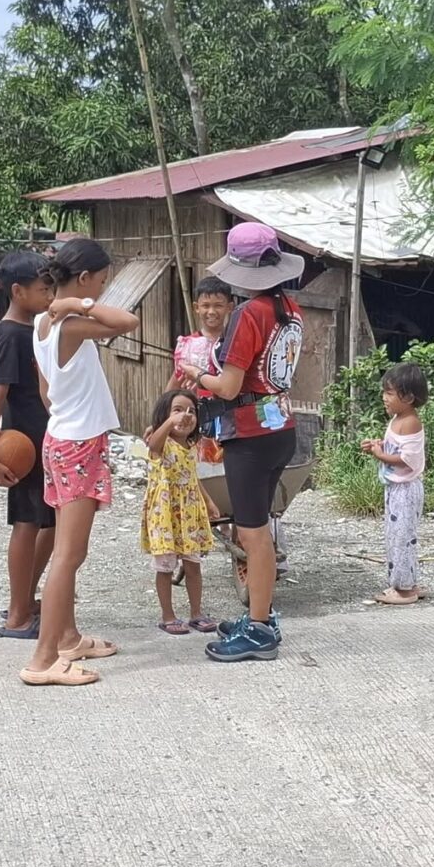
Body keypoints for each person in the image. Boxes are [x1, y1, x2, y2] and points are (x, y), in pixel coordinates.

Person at [22, 237, 140, 687]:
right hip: (77, 445)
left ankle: (68, 638)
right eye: (102, 282)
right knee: (68, 556)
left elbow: (46, 391)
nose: (103, 290)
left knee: (69, 551)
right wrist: (79, 304)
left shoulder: (41, 323)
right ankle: (43, 659)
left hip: (60, 438)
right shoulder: (70, 323)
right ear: (86, 277)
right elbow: (127, 321)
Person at [190, 222, 307, 662]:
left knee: (253, 535)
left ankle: (259, 631)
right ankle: (260, 614)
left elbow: (228, 386)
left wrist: (196, 373)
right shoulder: (289, 309)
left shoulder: (248, 314)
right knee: (259, 529)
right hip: (281, 427)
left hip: (249, 436)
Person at [175, 276, 290, 583]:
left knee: (253, 523)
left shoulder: (248, 322)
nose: (211, 311)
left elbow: (228, 388)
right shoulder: (190, 346)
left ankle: (260, 596)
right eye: (205, 305)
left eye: (218, 305)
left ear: (230, 306)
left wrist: (199, 375)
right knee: (249, 514)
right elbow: (176, 385)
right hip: (218, 424)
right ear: (196, 307)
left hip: (239, 426)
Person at [0, 252, 56, 640]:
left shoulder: (35, 328)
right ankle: (17, 616)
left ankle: (25, 599)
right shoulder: (11, 333)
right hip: (24, 444)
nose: (49, 296)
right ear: (17, 291)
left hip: (48, 440)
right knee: (27, 524)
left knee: (52, 524)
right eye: (43, 289)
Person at [140, 388, 218, 635]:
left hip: (189, 514)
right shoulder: (161, 444)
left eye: (191, 411)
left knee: (193, 565)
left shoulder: (191, 447)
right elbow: (153, 444)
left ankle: (196, 613)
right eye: (177, 410)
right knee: (165, 567)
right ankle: (168, 616)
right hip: (165, 514)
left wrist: (209, 502)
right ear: (164, 415)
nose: (185, 415)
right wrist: (166, 424)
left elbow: (193, 477)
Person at [361, 363, 429, 606]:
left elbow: (407, 459)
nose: (384, 397)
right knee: (398, 536)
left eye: (390, 393)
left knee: (401, 538)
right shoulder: (398, 419)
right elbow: (397, 448)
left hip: (406, 490)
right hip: (396, 488)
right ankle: (409, 582)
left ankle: (404, 590)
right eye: (385, 392)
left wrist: (380, 455)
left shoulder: (410, 421)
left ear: (408, 397)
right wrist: (378, 446)